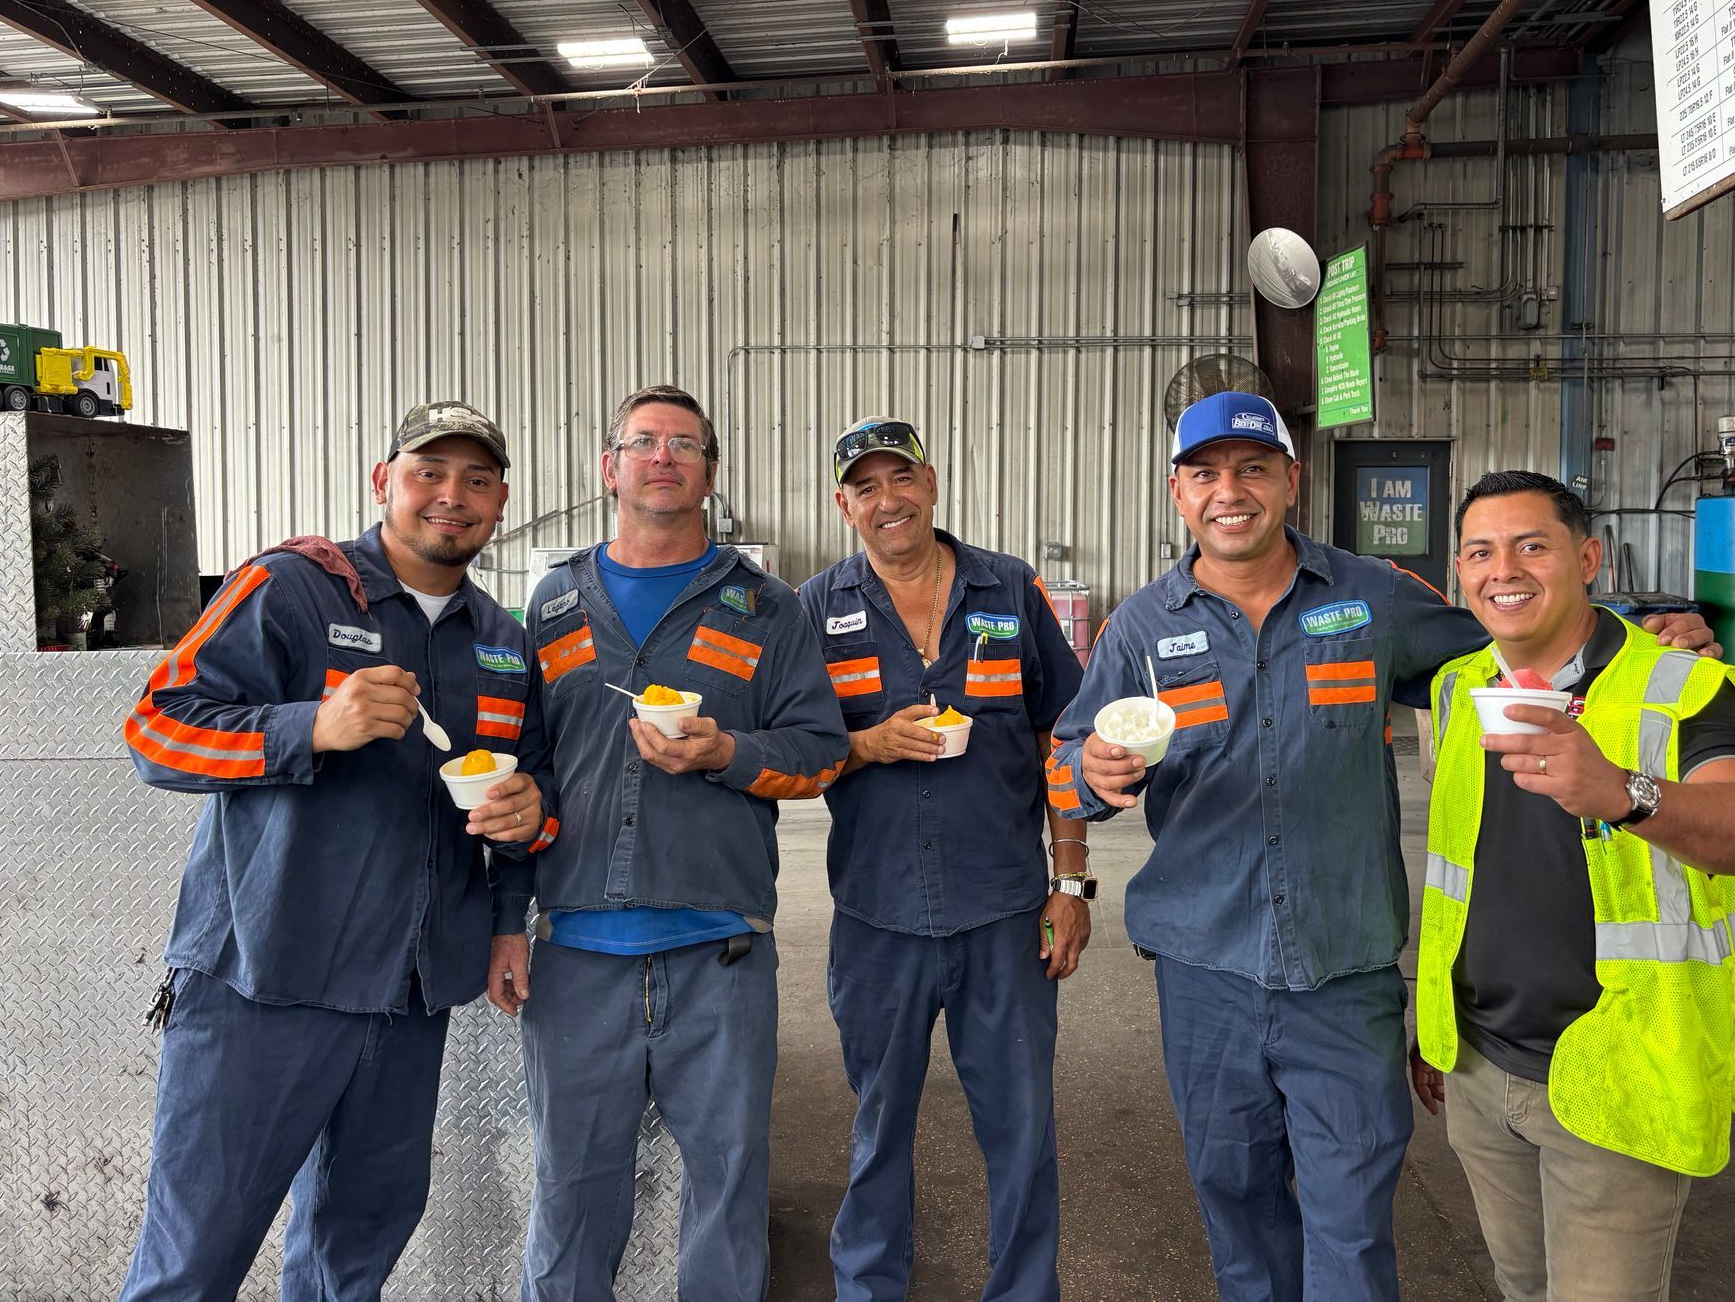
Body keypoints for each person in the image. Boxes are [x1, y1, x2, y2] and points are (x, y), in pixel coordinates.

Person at [1046, 392, 1718, 1302]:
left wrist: (1639, 636)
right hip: (1204, 974)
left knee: (1353, 1224)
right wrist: (1091, 769)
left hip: (1344, 974)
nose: (1229, 492)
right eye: (1205, 473)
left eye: (1252, 468)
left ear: (1292, 478)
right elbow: (1068, 768)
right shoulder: (1141, 628)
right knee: (1236, 1206)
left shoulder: (1372, 596)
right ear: (1178, 492)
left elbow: (1515, 631)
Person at [118, 401, 552, 1300]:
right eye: (429, 472)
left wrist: (521, 837)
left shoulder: (504, 644)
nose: (451, 496)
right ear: (383, 482)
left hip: (409, 996)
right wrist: (312, 725)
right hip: (268, 980)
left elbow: (531, 798)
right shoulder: (293, 587)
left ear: (502, 501)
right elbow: (155, 732)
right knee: (195, 1253)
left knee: (355, 1250)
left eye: (476, 480)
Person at [487, 384, 847, 1302]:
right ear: (609, 467)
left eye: (684, 445)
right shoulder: (555, 601)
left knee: (727, 1196)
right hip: (575, 959)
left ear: (710, 474)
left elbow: (818, 756)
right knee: (569, 1199)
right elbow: (525, 768)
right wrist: (502, 919)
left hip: (719, 957)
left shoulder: (768, 607)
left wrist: (728, 751)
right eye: (643, 442)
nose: (662, 457)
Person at [1408, 470, 1735, 1302]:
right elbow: (1466, 876)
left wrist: (1625, 793)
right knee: (1521, 1285)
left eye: (1531, 547)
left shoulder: (1682, 688)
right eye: (1480, 552)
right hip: (1479, 1066)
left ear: (1589, 559)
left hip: (1621, 1068)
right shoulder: (1455, 689)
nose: (1503, 569)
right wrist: (1435, 1024)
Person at [798, 417, 1088, 1302]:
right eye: (867, 487)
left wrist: (1069, 880)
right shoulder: (814, 607)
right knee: (879, 1125)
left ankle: (1024, 1290)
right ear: (845, 505)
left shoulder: (1010, 588)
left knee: (1021, 1127)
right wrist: (868, 744)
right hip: (877, 915)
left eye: (902, 478)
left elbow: (1062, 739)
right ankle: (870, 1286)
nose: (889, 500)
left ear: (932, 480)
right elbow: (793, 754)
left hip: (1002, 911)